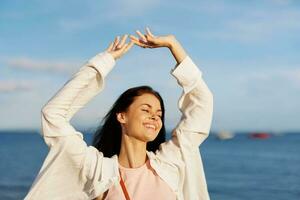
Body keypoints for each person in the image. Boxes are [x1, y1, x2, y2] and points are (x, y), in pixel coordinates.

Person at [25, 27, 213, 200]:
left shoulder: (169, 163)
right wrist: (104, 62)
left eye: (159, 113)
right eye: (145, 110)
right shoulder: (98, 171)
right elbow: (53, 114)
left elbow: (202, 103)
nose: (155, 117)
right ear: (122, 116)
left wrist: (173, 44)